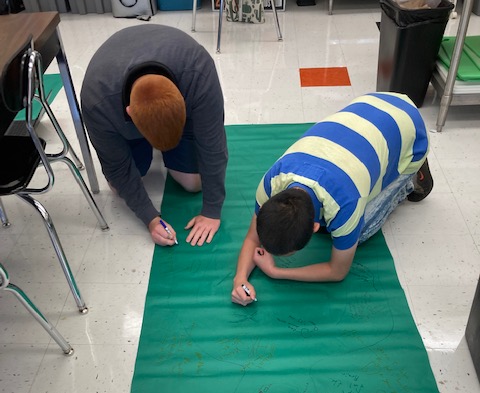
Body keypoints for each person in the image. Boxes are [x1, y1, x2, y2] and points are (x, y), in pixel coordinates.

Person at [231, 91, 433, 306]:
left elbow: (337, 271)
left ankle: (413, 175)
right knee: (342, 233)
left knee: (358, 232)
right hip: (371, 104)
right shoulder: (272, 181)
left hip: (411, 130)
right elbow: (253, 238)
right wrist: (239, 279)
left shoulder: (345, 204)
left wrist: (276, 272)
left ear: (315, 227)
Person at [81, 24, 228, 247]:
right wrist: (149, 218)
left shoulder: (199, 73)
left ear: (184, 102)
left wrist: (212, 211)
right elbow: (118, 168)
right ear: (129, 113)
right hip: (116, 103)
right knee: (118, 187)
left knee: (193, 184)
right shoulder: (97, 101)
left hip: (178, 80)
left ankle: (169, 139)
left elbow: (212, 146)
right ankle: (145, 143)